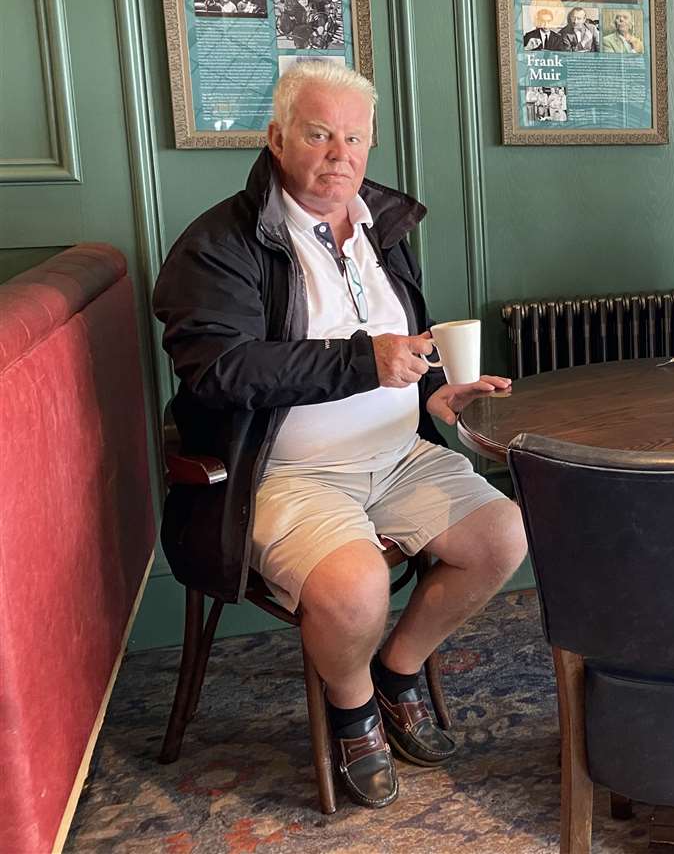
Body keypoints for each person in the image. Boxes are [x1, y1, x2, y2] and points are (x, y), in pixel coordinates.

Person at [153, 63, 528, 808]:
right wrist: (364, 361)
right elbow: (220, 368)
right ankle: (353, 709)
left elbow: (397, 346)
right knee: (354, 588)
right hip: (284, 471)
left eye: (354, 137)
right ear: (277, 138)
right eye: (319, 133)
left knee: (504, 536)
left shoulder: (380, 228)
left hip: (396, 457)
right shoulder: (222, 242)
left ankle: (396, 671)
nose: (338, 153)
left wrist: (433, 391)